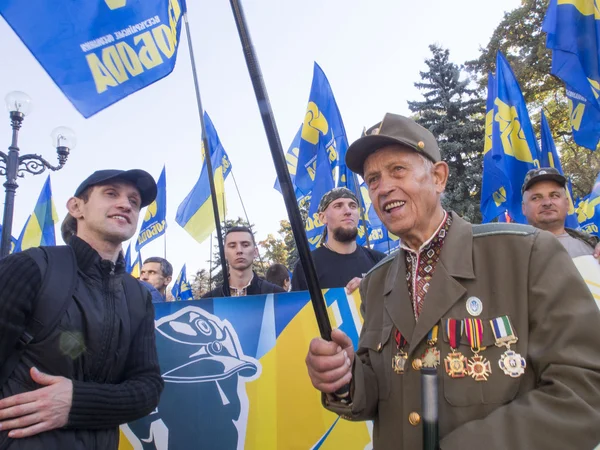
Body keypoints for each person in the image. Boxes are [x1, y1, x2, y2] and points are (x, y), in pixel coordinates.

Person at [305, 113, 600, 449]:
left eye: (397, 170)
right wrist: (344, 377)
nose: (384, 187)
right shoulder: (376, 282)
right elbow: (383, 390)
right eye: (372, 179)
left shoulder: (525, 252)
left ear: (439, 177)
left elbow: (585, 391)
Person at [0, 169, 164, 449]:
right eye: (111, 193)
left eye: (134, 202)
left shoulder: (138, 295)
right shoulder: (30, 268)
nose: (126, 204)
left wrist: (76, 402)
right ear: (76, 207)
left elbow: (148, 388)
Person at [291, 187, 386, 294]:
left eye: (353, 206)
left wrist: (373, 288)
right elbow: (298, 308)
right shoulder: (307, 267)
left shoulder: (380, 261)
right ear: (323, 218)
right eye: (338, 206)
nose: (348, 211)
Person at [521, 167, 600, 258]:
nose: (547, 203)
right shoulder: (508, 252)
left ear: (567, 203)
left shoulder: (593, 249)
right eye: (536, 198)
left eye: (554, 195)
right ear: (524, 208)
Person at [202, 226, 285, 298]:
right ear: (224, 254)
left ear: (255, 252)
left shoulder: (277, 295)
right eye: (232, 246)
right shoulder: (209, 301)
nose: (239, 250)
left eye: (245, 245)